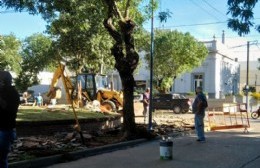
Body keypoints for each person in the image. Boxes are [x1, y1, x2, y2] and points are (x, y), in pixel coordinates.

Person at [0, 71, 20, 168]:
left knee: (1, 160)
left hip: (5, 129)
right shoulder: (2, 91)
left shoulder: (13, 93)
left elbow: (6, 107)